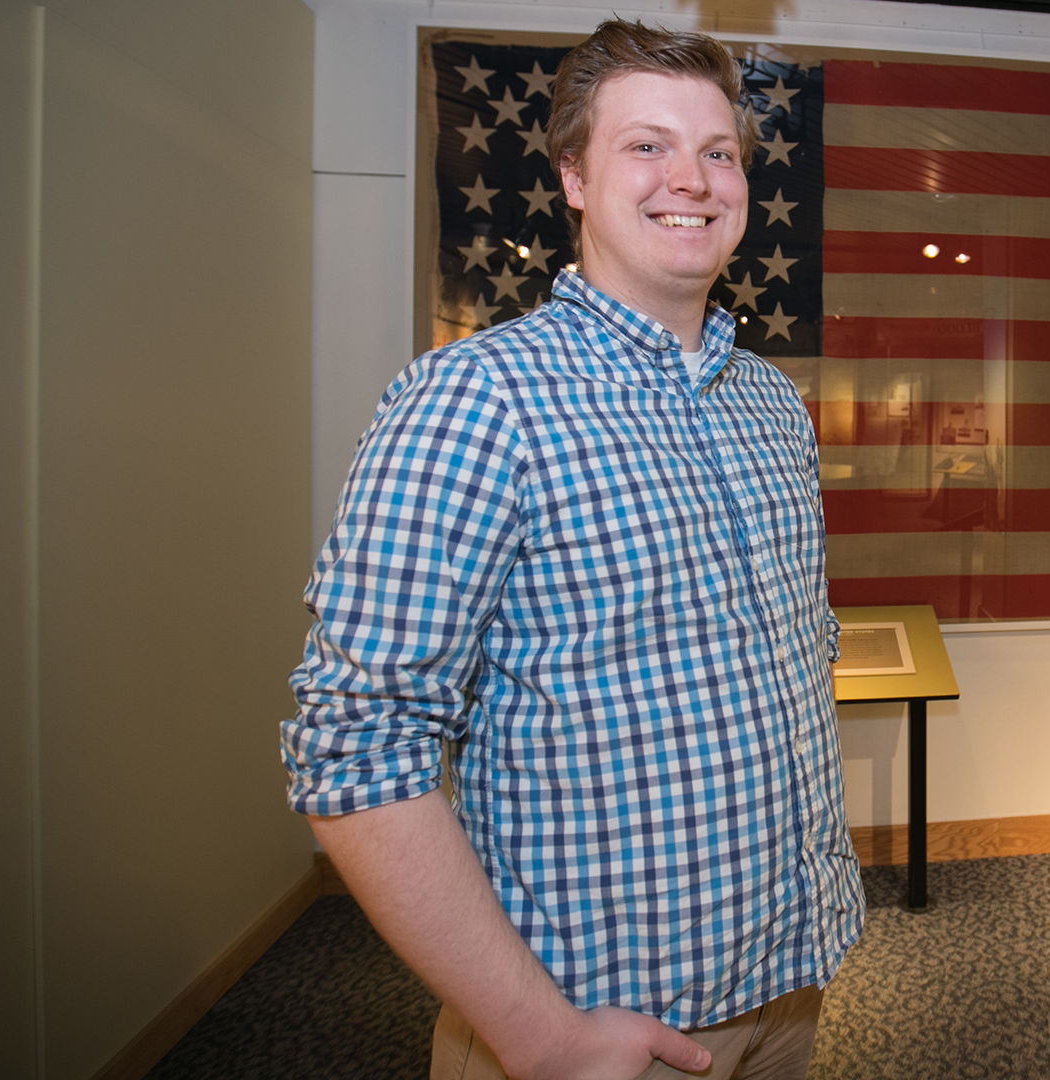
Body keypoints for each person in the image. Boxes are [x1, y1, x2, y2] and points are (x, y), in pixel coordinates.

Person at [280, 21, 860, 1080]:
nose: (692, 178)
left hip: (787, 995)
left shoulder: (771, 407)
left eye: (718, 151)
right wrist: (541, 1039)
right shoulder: (476, 401)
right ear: (574, 180)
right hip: (585, 1035)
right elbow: (354, 751)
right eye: (646, 146)